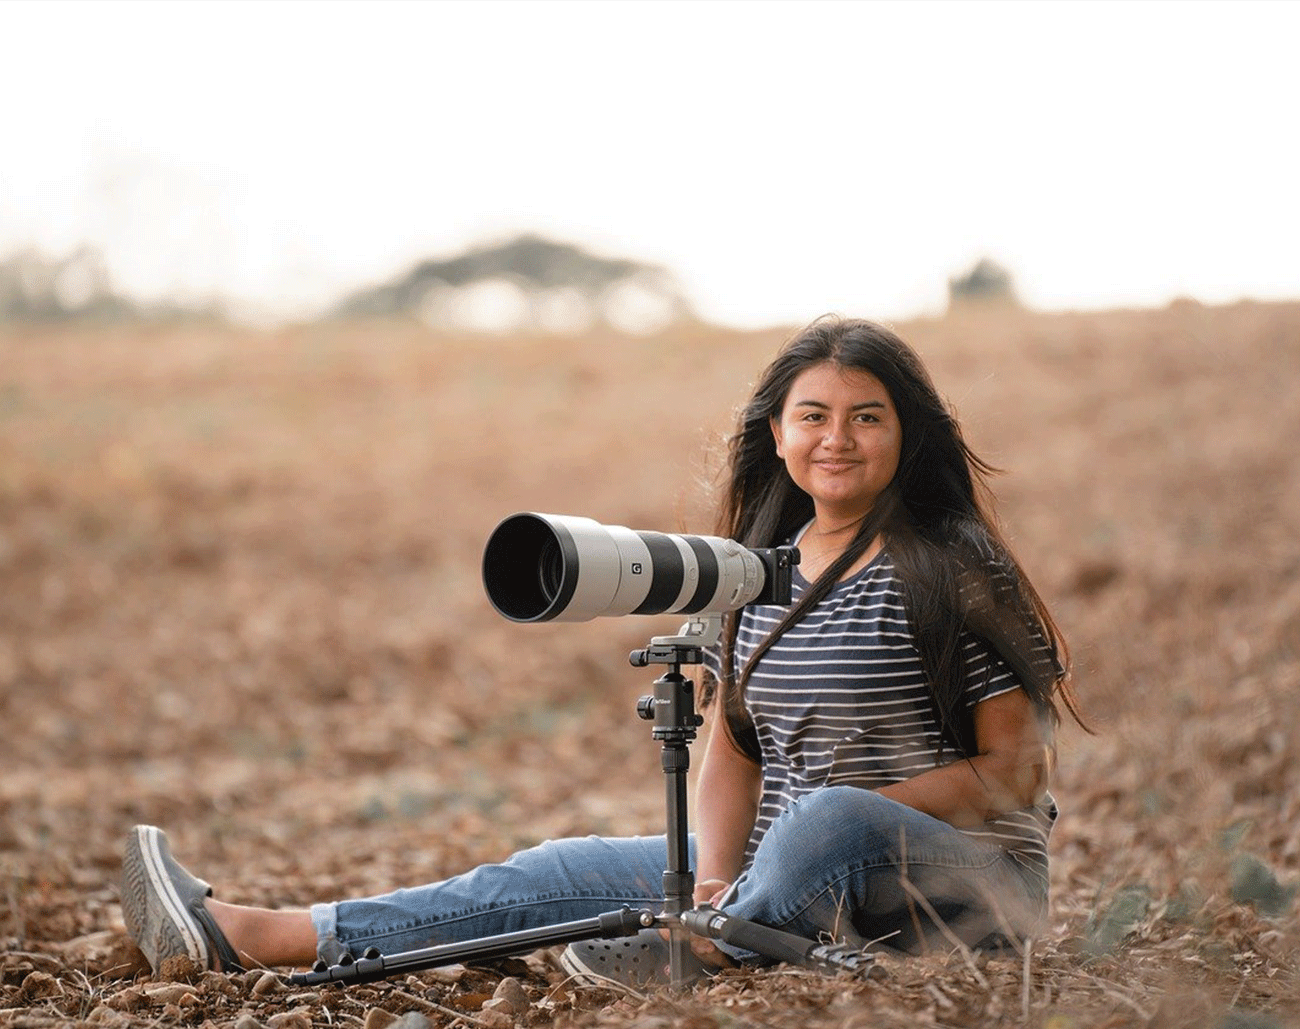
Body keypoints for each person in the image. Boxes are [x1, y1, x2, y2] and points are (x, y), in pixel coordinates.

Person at [122, 316, 1086, 987]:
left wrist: (840, 818)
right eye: (814, 416)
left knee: (829, 816)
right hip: (779, 877)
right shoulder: (756, 571)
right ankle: (264, 934)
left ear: (907, 433)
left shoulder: (953, 568)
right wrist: (719, 877)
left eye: (866, 415)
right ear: (779, 433)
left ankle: (705, 952)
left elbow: (1016, 769)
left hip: (965, 885)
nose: (838, 438)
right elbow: (731, 747)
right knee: (562, 867)